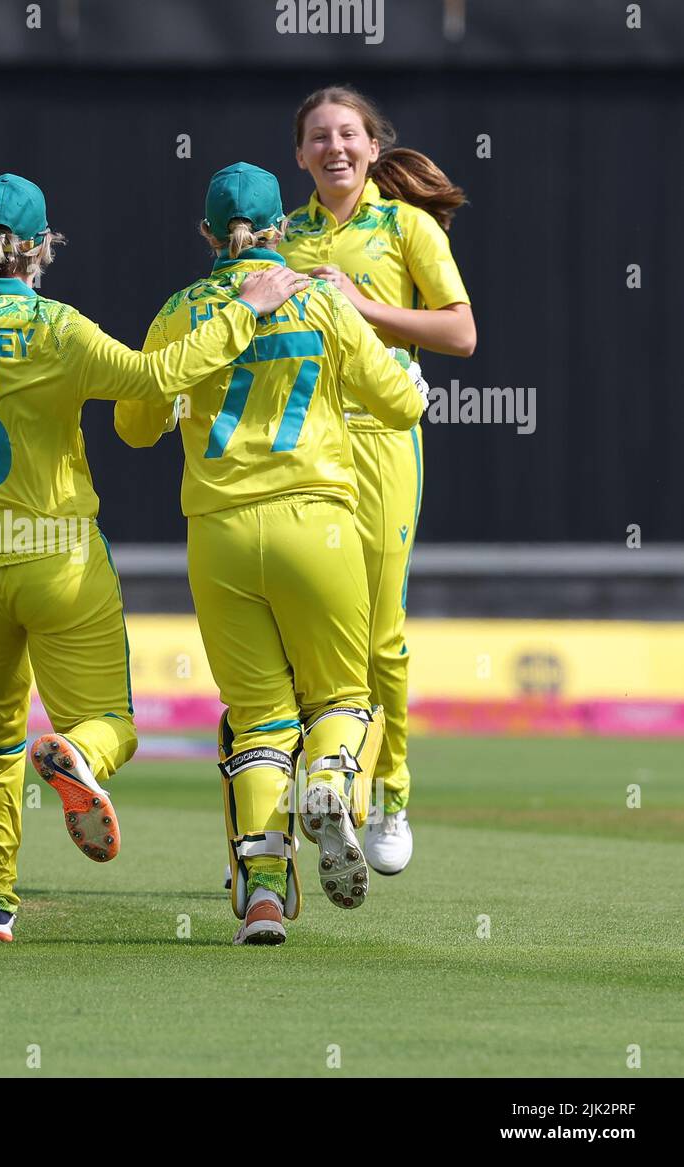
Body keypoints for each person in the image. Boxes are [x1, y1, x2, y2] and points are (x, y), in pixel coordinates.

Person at [0, 173, 308, 943]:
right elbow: (158, 378)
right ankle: (76, 754)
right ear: (42, 251)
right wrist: (241, 310)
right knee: (113, 723)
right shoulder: (58, 328)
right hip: (56, 555)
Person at [115, 162, 426, 945]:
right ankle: (327, 780)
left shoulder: (181, 310)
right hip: (316, 522)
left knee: (257, 720)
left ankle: (259, 892)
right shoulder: (320, 298)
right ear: (282, 228)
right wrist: (409, 381)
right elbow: (397, 402)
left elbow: (132, 425)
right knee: (344, 698)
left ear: (209, 234)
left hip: (218, 533)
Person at [280, 86, 476, 875]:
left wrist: (361, 306)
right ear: (299, 155)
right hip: (298, 450)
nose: (335, 148)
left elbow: (459, 331)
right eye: (319, 137)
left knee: (380, 634)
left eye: (349, 135)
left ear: (372, 145)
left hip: (382, 441)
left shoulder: (407, 226)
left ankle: (390, 790)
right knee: (311, 631)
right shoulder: (281, 235)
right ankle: (332, 785)